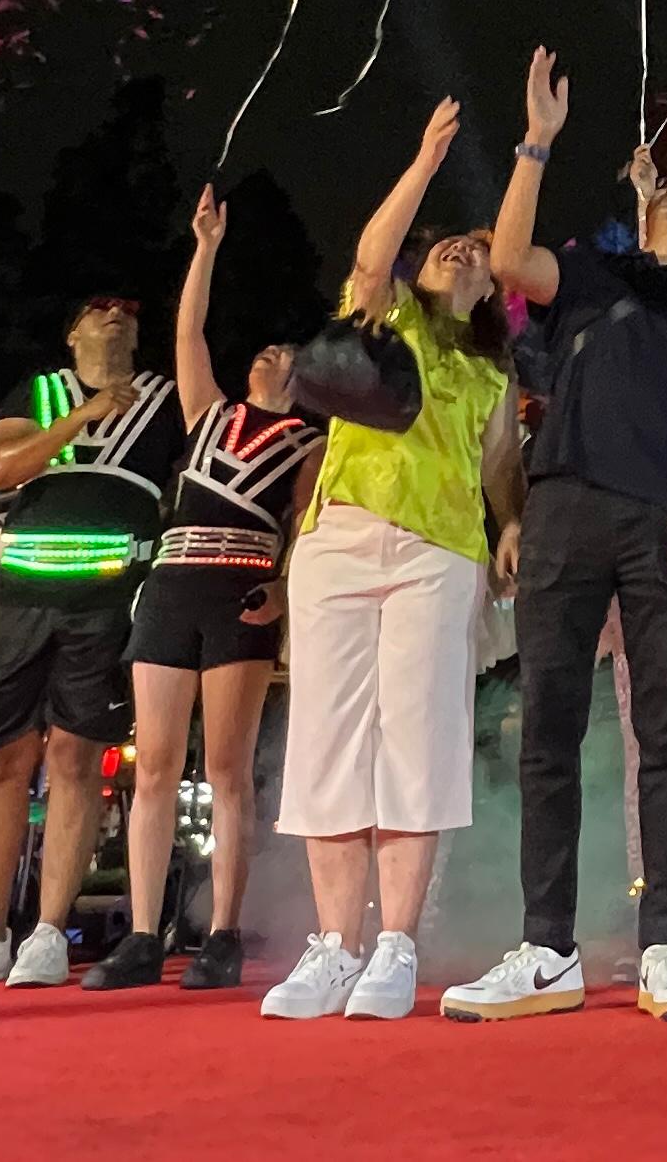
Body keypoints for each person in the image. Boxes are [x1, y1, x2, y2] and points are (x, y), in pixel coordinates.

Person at [446, 48, 667, 1024]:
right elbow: (509, 261)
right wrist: (537, 144)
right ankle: (545, 948)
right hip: (564, 508)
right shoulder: (595, 273)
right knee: (546, 728)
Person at [262, 99, 515, 1022]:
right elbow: (374, 257)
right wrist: (423, 160)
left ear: (496, 289)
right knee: (327, 740)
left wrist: (513, 525)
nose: (462, 253)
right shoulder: (390, 316)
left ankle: (396, 946)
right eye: (451, 244)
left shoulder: (492, 372)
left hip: (440, 553)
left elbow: (499, 469)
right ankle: (332, 946)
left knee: (418, 742)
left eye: (480, 253)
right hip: (338, 539)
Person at [80, 187, 327, 993]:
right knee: (153, 765)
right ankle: (144, 932)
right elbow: (188, 331)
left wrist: (286, 592)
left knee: (224, 766)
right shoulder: (208, 412)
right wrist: (207, 248)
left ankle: (222, 931)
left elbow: (308, 528)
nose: (270, 357)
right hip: (172, 586)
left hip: (242, 594)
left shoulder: (310, 442)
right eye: (262, 351)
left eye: (287, 355)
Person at [0, 294, 186, 985]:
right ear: (72, 333)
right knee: (3, 760)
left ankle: (47, 931)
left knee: (76, 756)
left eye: (129, 308)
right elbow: (2, 470)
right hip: (19, 591)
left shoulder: (165, 394)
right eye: (98, 308)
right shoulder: (39, 391)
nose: (116, 314)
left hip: (108, 588)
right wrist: (80, 418)